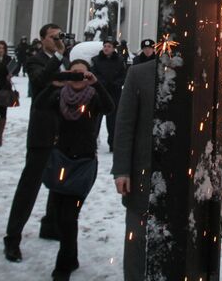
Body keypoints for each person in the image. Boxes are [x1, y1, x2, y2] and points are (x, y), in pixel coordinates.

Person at [37, 60, 113, 280]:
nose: (77, 78)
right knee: (61, 216)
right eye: (73, 73)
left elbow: (110, 108)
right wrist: (55, 84)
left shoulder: (93, 97)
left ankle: (62, 267)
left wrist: (97, 84)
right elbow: (39, 106)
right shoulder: (60, 96)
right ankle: (72, 257)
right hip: (60, 159)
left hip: (83, 163)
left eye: (82, 73)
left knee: (69, 216)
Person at [3, 23, 70, 262]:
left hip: (64, 130)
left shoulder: (65, 59)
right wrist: (58, 60)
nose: (57, 41)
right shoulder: (36, 59)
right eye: (53, 38)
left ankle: (50, 224)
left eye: (59, 36)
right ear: (42, 40)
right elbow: (40, 81)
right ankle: (13, 237)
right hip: (43, 130)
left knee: (59, 182)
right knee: (29, 186)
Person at [112, 57, 156, 280]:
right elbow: (125, 125)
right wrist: (121, 170)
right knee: (137, 238)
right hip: (142, 173)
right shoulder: (139, 73)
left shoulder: (199, 71)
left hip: (181, 181)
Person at [89, 37, 126, 151]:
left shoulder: (120, 60)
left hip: (114, 93)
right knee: (95, 120)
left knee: (113, 121)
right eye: (105, 46)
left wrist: (116, 83)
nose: (106, 48)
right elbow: (94, 74)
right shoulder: (96, 60)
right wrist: (101, 83)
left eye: (109, 46)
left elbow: (123, 75)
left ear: (113, 48)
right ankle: (91, 143)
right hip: (99, 93)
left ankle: (113, 144)